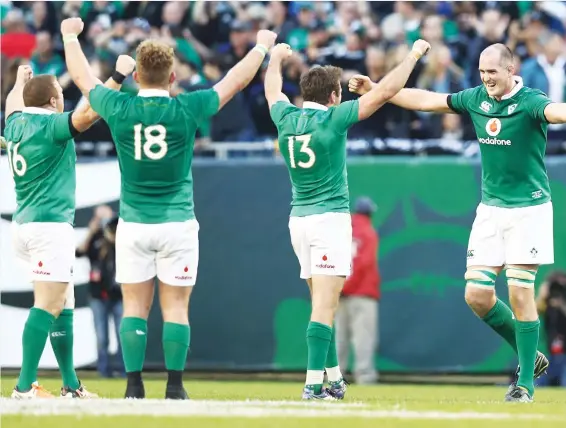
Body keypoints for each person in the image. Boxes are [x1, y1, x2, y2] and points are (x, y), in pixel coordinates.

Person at [59, 17, 277, 399]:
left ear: (138, 75)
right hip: (177, 222)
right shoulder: (187, 108)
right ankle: (175, 387)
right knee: (176, 307)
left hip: (134, 224)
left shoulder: (120, 107)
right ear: (173, 76)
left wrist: (69, 36)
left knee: (134, 308)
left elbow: (81, 78)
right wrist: (260, 47)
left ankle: (133, 387)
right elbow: (235, 82)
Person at [349, 43, 566, 402]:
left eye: (492, 72)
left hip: (529, 209)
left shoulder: (530, 100)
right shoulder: (474, 98)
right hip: (491, 209)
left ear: (511, 71)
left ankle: (524, 382)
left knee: (519, 291)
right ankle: (532, 356)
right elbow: (427, 100)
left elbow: (556, 112)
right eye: (481, 71)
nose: (486, 78)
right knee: (477, 295)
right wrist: (378, 91)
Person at [264, 39, 430, 400]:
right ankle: (312, 385)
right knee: (325, 308)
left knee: (321, 306)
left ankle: (334, 378)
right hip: (328, 220)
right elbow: (386, 90)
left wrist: (274, 57)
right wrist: (414, 54)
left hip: (299, 220)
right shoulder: (335, 118)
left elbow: (272, 88)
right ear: (334, 95)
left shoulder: (285, 116)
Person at [4, 55, 135, 399]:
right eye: (60, 93)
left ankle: (70, 385)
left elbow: (12, 104)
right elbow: (89, 113)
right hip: (49, 226)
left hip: (27, 224)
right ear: (52, 101)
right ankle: (23, 388)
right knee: (48, 304)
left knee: (62, 303)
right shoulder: (50, 128)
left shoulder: (15, 124)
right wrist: (118, 77)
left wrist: (19, 81)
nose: (63, 96)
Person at [335, 196, 380, 385]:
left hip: (340, 291)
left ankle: (335, 376)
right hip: (362, 293)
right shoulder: (368, 233)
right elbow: (365, 263)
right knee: (363, 337)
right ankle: (364, 376)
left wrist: (340, 286)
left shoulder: (342, 231)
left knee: (340, 337)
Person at [77, 207, 124, 378]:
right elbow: (78, 251)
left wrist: (114, 233)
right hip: (98, 295)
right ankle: (104, 371)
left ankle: (125, 371)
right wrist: (91, 231)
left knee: (122, 334)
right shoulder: (94, 239)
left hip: (118, 295)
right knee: (102, 336)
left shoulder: (120, 237)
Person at [536, 271, 566, 387]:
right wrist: (542, 295)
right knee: (538, 385)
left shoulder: (562, 302)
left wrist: (562, 304)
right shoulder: (547, 303)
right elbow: (533, 314)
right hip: (551, 355)